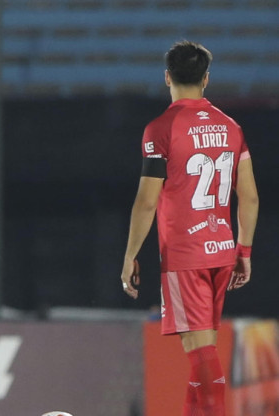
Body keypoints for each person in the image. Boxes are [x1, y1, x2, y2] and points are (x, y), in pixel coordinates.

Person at [120, 40, 259, 416]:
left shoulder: (161, 129)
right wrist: (243, 251)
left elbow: (147, 201)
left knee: (201, 356)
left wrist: (130, 255)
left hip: (185, 256)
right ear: (206, 79)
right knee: (201, 355)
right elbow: (249, 198)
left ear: (167, 77)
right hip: (222, 251)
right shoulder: (232, 128)